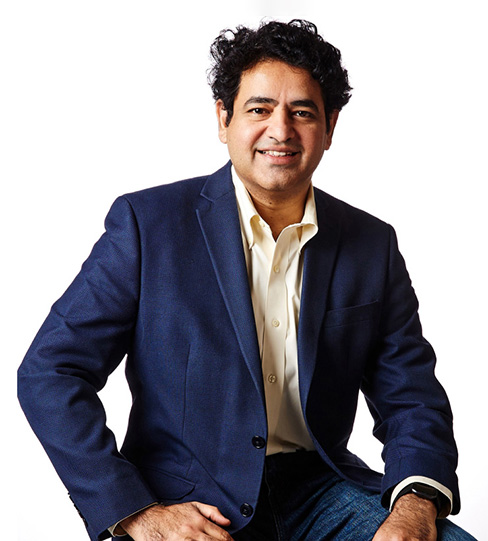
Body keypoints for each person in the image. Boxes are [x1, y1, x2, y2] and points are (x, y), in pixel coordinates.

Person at [18, 19, 475, 541]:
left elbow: (411, 397)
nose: (281, 130)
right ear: (224, 118)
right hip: (186, 500)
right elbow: (50, 371)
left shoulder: (371, 244)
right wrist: (136, 512)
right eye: (259, 109)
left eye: (302, 112)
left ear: (330, 127)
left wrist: (415, 507)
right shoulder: (149, 226)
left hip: (321, 490)